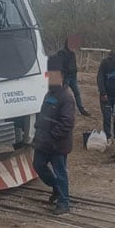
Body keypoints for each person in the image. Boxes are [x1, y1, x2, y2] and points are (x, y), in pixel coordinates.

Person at [32, 56, 75, 215]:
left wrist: (52, 136)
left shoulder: (67, 96)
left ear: (62, 77)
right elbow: (43, 115)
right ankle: (56, 188)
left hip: (57, 144)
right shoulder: (49, 93)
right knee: (38, 165)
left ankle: (64, 202)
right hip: (43, 142)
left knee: (60, 172)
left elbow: (67, 123)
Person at [57, 35, 90, 116]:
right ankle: (60, 110)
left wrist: (75, 72)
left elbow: (74, 64)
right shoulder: (61, 52)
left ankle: (81, 110)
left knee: (77, 93)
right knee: (63, 94)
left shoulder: (72, 53)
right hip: (65, 77)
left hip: (73, 77)